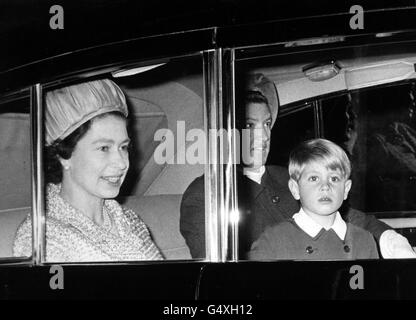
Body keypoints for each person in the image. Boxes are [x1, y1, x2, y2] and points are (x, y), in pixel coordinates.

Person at [180, 73, 416, 259]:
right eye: (250, 125)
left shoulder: (288, 176)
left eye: (267, 123)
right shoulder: (207, 193)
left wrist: (390, 240)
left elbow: (350, 218)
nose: (263, 135)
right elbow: (220, 275)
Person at [13, 79, 163, 262]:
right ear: (63, 155)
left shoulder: (130, 222)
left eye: (123, 147)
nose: (122, 163)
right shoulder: (40, 238)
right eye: (104, 148)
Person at [249, 138, 379, 260]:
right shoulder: (272, 242)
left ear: (346, 189)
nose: (325, 187)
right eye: (314, 178)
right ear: (295, 189)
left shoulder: (364, 241)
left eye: (334, 179)